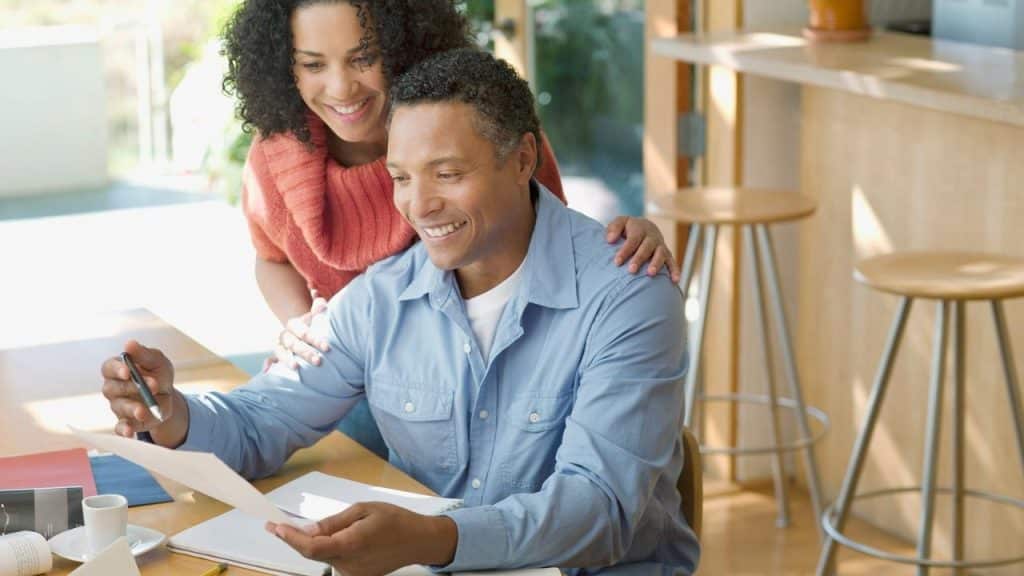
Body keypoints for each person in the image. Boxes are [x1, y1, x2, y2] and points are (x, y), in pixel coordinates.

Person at [102, 48, 699, 574]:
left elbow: (599, 511)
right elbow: (262, 420)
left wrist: (436, 539)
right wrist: (172, 412)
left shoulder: (629, 297)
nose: (419, 204)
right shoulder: (383, 296)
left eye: (447, 173)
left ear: (522, 161)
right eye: (401, 177)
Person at [222, 0, 681, 458]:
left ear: (404, 46)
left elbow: (550, 241)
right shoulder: (276, 157)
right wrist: (301, 328)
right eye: (312, 64)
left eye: (364, 58)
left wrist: (626, 248)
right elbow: (271, 258)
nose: (341, 87)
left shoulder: (480, 129)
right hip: (342, 375)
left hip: (474, 385)